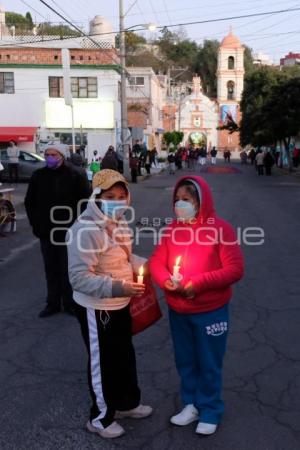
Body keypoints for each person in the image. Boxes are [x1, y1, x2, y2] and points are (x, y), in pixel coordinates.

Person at [149, 176, 244, 436]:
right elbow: (157, 261)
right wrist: (166, 281)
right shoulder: (171, 230)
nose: (180, 205)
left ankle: (210, 409)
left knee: (209, 362)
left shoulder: (220, 229)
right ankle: (190, 404)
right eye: (177, 199)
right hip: (179, 310)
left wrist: (197, 284)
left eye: (187, 200)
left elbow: (235, 269)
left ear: (201, 202)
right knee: (186, 361)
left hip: (210, 311)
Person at [67, 169, 152, 439]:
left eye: (121, 195)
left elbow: (122, 259)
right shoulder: (85, 229)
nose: (117, 201)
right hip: (96, 307)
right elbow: (78, 278)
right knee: (103, 362)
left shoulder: (119, 223)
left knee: (123, 355)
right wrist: (119, 286)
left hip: (120, 302)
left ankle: (126, 403)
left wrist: (147, 266)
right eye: (109, 196)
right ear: (96, 197)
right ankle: (101, 418)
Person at [25, 143, 91, 318]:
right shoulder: (38, 176)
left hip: (70, 232)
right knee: (51, 268)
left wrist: (79, 226)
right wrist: (36, 224)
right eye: (47, 154)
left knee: (67, 268)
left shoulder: (75, 175)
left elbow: (85, 203)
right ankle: (52, 302)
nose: (50, 158)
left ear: (62, 155)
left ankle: (70, 303)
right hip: (46, 232)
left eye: (54, 154)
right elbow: (30, 202)